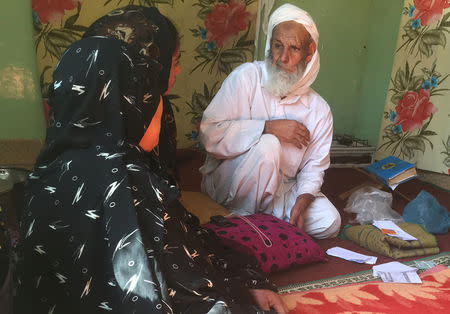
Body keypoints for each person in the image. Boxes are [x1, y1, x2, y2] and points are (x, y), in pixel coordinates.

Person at [15, 6, 287, 314]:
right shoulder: (129, 185)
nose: (159, 105)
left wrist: (244, 277)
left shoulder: (43, 174)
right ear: (129, 102)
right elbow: (186, 295)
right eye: (150, 94)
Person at [199, 4, 341, 239]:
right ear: (269, 45)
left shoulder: (319, 110)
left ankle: (261, 220)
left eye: (293, 48)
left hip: (281, 189)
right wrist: (268, 127)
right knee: (268, 146)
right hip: (233, 179)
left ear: (309, 52)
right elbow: (209, 134)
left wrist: (303, 199)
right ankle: (248, 219)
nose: (282, 58)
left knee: (330, 221)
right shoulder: (246, 77)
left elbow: (314, 167)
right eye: (277, 46)